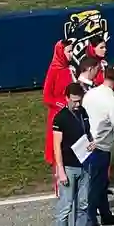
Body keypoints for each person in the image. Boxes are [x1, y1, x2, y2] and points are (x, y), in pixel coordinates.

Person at [52, 82, 101, 226]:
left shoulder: (83, 112)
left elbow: (87, 133)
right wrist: (60, 170)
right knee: (65, 208)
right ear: (66, 98)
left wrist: (92, 142)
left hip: (84, 164)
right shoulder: (60, 119)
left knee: (83, 205)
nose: (77, 104)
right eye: (74, 101)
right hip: (69, 167)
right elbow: (56, 146)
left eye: (79, 101)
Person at [82, 58, 114, 226]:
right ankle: (90, 222)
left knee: (100, 185)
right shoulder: (113, 102)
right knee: (96, 186)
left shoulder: (91, 94)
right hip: (101, 146)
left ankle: (106, 215)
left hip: (88, 142)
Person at [43, 41, 75, 173]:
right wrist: (62, 105)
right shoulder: (54, 70)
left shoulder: (71, 69)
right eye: (68, 51)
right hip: (58, 115)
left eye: (72, 51)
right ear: (61, 53)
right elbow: (46, 97)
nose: (71, 54)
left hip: (71, 113)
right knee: (58, 149)